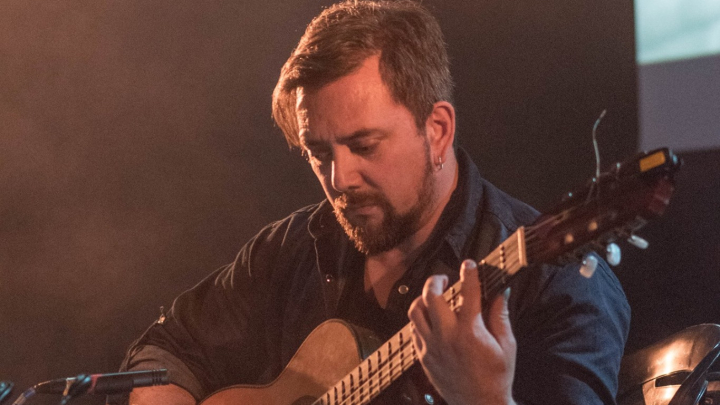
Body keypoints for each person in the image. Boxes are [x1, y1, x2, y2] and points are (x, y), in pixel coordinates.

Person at [115, 1, 630, 404]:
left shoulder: (560, 286)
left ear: (437, 130)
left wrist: (484, 399)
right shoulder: (290, 250)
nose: (339, 179)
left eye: (364, 146)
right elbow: (169, 348)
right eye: (318, 153)